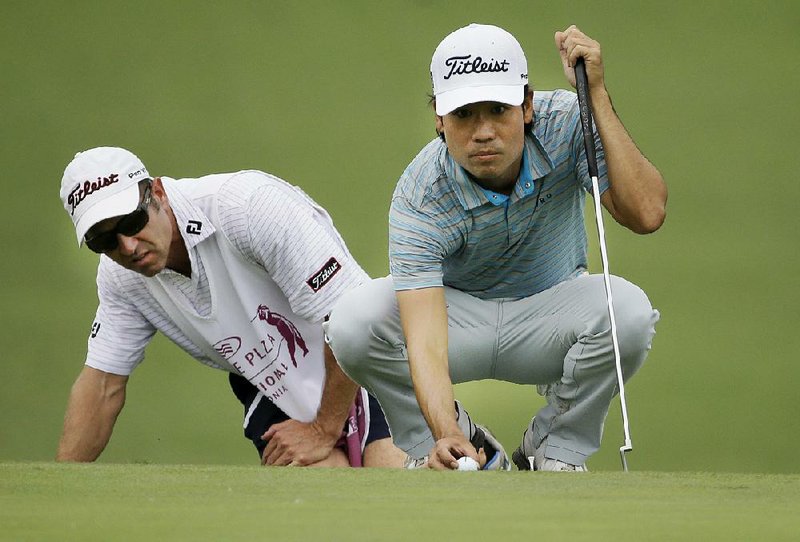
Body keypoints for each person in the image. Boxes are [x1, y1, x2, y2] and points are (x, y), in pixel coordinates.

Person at [325, 23, 667, 471]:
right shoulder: (419, 193)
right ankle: (457, 445)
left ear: (526, 107)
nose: (483, 131)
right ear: (439, 119)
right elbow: (424, 340)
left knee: (630, 313)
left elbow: (646, 213)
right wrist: (444, 429)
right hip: (459, 322)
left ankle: (555, 448)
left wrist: (595, 95)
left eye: (498, 109)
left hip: (550, 315)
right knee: (353, 324)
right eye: (464, 114)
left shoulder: (567, 122)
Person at [56, 146, 407, 468]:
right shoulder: (120, 278)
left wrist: (323, 429)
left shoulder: (248, 207)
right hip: (271, 385)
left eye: (132, 223)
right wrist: (60, 492)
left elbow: (350, 319)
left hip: (362, 358)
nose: (128, 247)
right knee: (321, 489)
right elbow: (102, 384)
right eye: (104, 241)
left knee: (390, 472)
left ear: (158, 193)